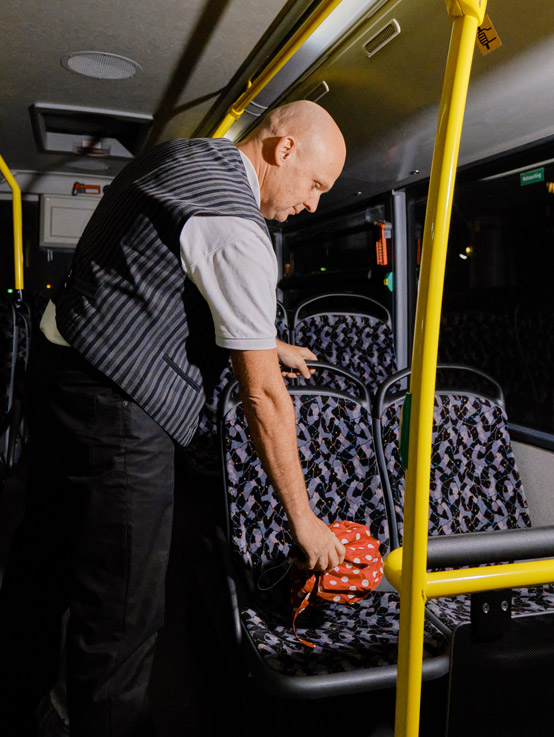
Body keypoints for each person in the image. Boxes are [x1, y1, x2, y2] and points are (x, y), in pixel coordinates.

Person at [0, 100, 347, 736]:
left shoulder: (185, 156)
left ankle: (17, 701)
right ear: (284, 150)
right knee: (123, 609)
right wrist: (305, 522)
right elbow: (264, 398)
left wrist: (271, 342)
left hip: (64, 376)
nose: (314, 205)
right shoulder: (237, 229)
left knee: (42, 558)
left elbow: (157, 276)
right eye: (317, 186)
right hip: (118, 408)